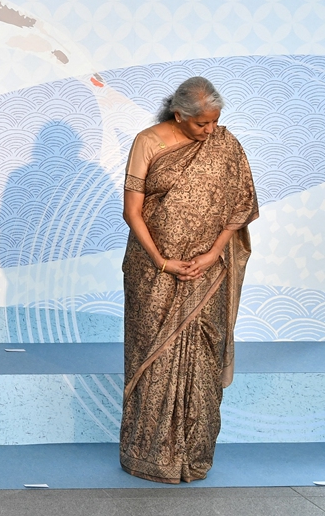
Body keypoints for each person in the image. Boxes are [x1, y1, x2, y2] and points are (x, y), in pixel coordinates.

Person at [119, 76, 258, 483]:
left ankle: (194, 455)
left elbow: (241, 205)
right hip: (153, 272)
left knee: (202, 359)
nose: (209, 131)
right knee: (153, 356)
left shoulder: (225, 146)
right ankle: (147, 455)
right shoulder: (148, 142)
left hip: (206, 273)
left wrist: (213, 254)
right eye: (202, 124)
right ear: (179, 115)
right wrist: (162, 261)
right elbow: (132, 211)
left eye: (214, 123)